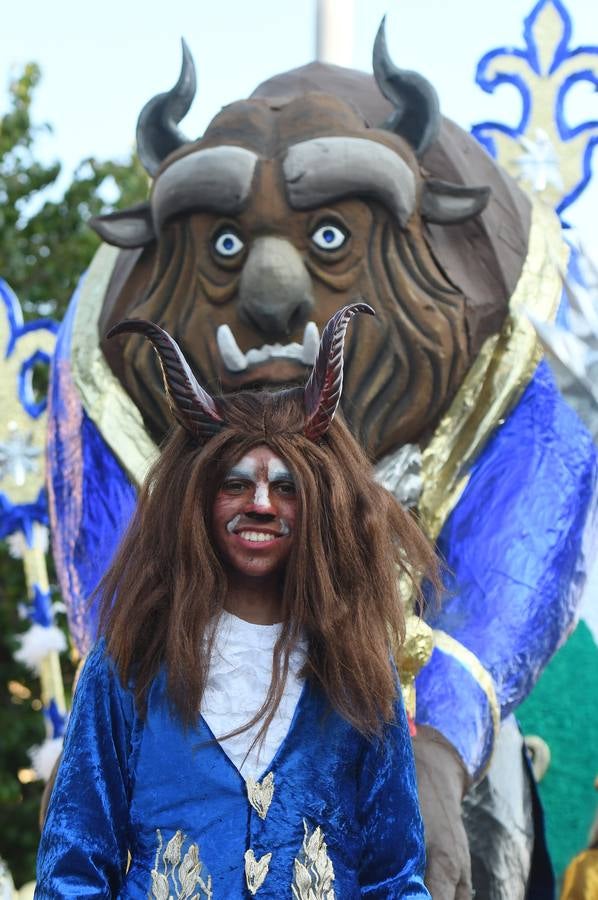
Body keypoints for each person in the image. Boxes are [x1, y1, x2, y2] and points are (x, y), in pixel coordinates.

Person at [35, 304, 437, 898]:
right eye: (235, 484)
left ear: (320, 507)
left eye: (286, 487)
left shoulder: (359, 670)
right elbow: (73, 868)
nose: (261, 505)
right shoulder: (131, 660)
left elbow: (396, 877)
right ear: (197, 502)